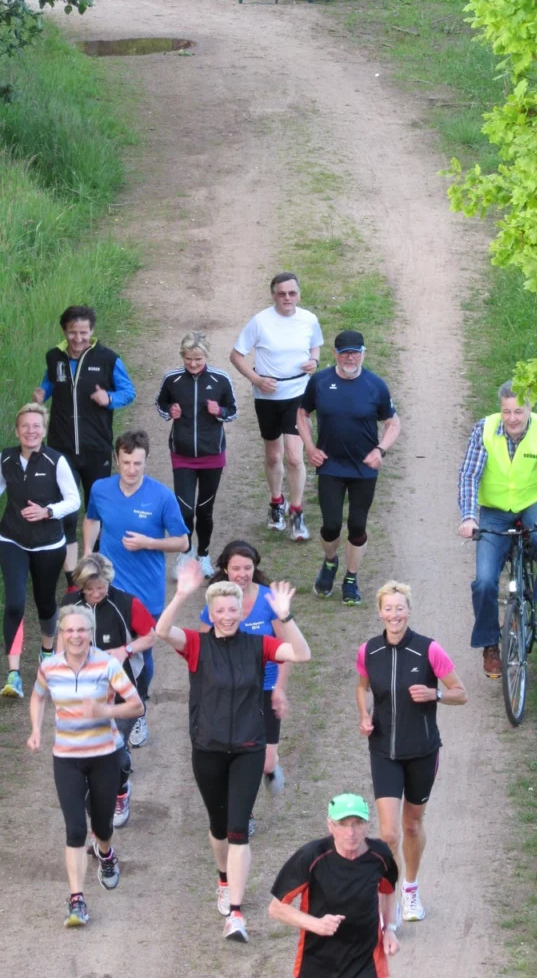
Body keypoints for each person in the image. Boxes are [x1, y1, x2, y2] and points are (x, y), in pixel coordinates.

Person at [155, 558, 311, 943]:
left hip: (248, 748)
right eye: (220, 610)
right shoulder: (195, 644)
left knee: (239, 830)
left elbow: (302, 655)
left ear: (242, 611)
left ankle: (236, 915)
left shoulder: (259, 645)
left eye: (233, 609)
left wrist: (285, 617)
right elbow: (161, 631)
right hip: (207, 749)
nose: (227, 616)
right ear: (210, 613)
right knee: (219, 827)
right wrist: (181, 595)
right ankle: (223, 879)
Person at [356, 581, 467, 923]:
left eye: (399, 608)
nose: (394, 614)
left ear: (409, 611)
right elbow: (362, 688)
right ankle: (389, 904)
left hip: (421, 751)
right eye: (388, 608)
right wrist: (364, 715)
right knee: (388, 833)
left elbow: (461, 693)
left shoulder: (429, 649)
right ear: (380, 612)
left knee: (412, 826)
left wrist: (434, 695)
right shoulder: (368, 651)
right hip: (384, 751)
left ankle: (411, 891)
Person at [27, 605, 144, 927]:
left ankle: (106, 853)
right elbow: (38, 697)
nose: (76, 636)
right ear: (61, 634)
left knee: (103, 826)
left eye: (82, 630)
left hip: (104, 756)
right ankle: (77, 899)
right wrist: (36, 730)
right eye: (69, 631)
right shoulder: (49, 667)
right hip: (66, 758)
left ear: (90, 633)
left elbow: (136, 704)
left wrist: (105, 712)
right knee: (76, 828)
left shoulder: (107, 664)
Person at [458, 381, 537, 678]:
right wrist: (469, 518)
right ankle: (489, 645)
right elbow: (469, 475)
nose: (512, 419)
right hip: (495, 509)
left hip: (536, 501)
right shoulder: (484, 429)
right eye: (506, 411)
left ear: (530, 409)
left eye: (518, 411)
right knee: (484, 581)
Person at [83, 429, 188, 747]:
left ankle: (138, 710)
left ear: (146, 461)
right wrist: (89, 553)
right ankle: (106, 713)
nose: (132, 469)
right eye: (126, 462)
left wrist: (149, 543)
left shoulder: (161, 496)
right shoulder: (101, 489)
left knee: (142, 652)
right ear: (117, 459)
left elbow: (183, 541)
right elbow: (91, 519)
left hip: (147, 593)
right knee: (105, 649)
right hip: (110, 590)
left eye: (138, 463)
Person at [33, 304, 136, 588]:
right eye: (72, 333)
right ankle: (71, 578)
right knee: (66, 509)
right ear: (64, 332)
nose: (78, 339)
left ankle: (99, 570)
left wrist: (110, 399)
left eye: (83, 332)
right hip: (61, 448)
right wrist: (42, 393)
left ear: (92, 331)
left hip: (96, 448)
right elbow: (50, 383)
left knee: (98, 508)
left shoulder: (107, 359)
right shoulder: (54, 357)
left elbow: (129, 391)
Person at [297, 330, 401, 605]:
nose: (350, 357)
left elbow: (393, 423)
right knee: (330, 525)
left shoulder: (375, 386)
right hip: (330, 465)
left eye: (355, 352)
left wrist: (380, 450)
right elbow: (302, 413)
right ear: (335, 355)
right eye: (345, 353)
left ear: (364, 353)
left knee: (357, 525)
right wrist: (310, 446)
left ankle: (351, 578)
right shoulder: (320, 382)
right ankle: (330, 562)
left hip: (364, 468)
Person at [61, 553, 156, 827]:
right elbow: (61, 639)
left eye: (100, 589)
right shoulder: (70, 602)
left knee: (115, 749)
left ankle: (120, 791)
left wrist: (125, 650)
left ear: (109, 583)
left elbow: (151, 635)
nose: (94, 594)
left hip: (121, 692)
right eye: (89, 590)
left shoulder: (126, 604)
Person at [230, 272, 323, 541]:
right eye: (281, 293)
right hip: (268, 396)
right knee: (273, 456)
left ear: (299, 294)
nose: (287, 298)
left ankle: (296, 512)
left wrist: (314, 362)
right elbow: (236, 355)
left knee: (295, 456)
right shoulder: (260, 322)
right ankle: (275, 503)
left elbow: (315, 346)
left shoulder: (309, 319)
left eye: (292, 293)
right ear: (273, 295)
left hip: (298, 393)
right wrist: (257, 379)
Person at [269, 793, 399, 978]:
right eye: (343, 824)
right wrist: (316, 924)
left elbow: (388, 891)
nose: (351, 833)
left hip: (365, 960)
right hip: (317, 961)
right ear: (330, 825)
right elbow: (276, 908)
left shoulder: (380, 855)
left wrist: (389, 929)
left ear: (368, 824)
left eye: (358, 823)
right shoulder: (311, 856)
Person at [0, 404, 80, 699]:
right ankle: (13, 675)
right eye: (25, 426)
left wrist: (48, 511)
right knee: (15, 604)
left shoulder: (55, 460)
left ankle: (47, 654)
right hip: (11, 540)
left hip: (48, 544)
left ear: (43, 430)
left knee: (45, 603)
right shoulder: (5, 458)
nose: (31, 431)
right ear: (17, 429)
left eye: (36, 426)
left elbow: (74, 500)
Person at [198, 540, 289, 800]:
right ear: (225, 570)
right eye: (235, 568)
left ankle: (270, 769)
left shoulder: (268, 599)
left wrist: (280, 689)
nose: (242, 574)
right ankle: (240, 812)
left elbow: (286, 649)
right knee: (232, 755)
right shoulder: (216, 604)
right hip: (231, 692)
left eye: (247, 567)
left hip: (266, 687)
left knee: (267, 761)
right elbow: (203, 652)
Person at [155, 331, 237, 580]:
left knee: (205, 510)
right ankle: (185, 554)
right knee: (184, 510)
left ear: (206, 357)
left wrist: (219, 411)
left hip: (212, 454)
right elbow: (160, 404)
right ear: (183, 356)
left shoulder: (220, 379)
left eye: (198, 359)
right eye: (189, 358)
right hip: (182, 455)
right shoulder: (172, 379)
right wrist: (171, 411)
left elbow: (233, 411)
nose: (193, 364)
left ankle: (203, 556)